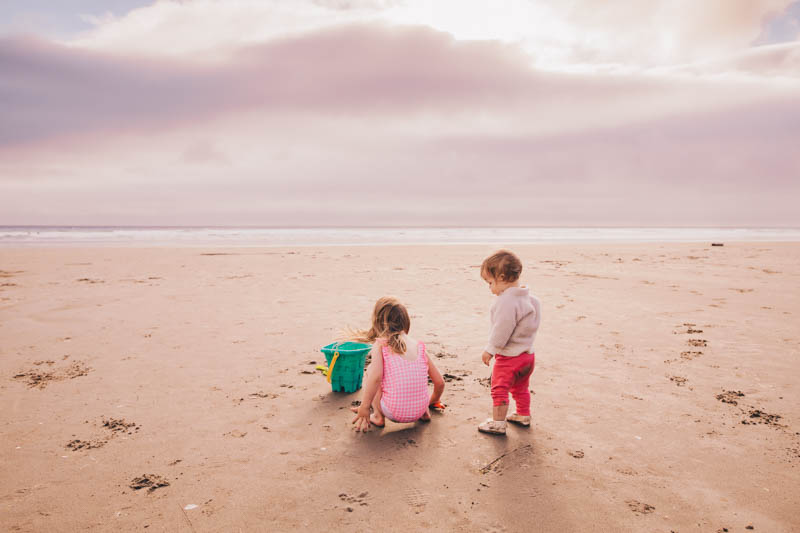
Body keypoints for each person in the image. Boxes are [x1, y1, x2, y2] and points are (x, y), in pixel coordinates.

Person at [348, 297, 445, 432]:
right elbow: (439, 382)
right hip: (420, 410)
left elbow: (375, 378)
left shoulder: (381, 345)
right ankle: (424, 413)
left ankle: (377, 416)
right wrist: (432, 402)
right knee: (412, 373)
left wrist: (365, 406)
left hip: (393, 413)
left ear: (378, 322)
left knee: (371, 371)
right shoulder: (419, 346)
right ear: (406, 321)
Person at [478, 250, 541, 435]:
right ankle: (523, 414)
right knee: (521, 387)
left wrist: (490, 350)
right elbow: (532, 326)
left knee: (499, 388)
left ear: (502, 277)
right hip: (528, 356)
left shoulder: (506, 301)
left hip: (509, 358)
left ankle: (498, 423)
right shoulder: (531, 299)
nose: (490, 288)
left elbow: (502, 330)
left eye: (490, 283)